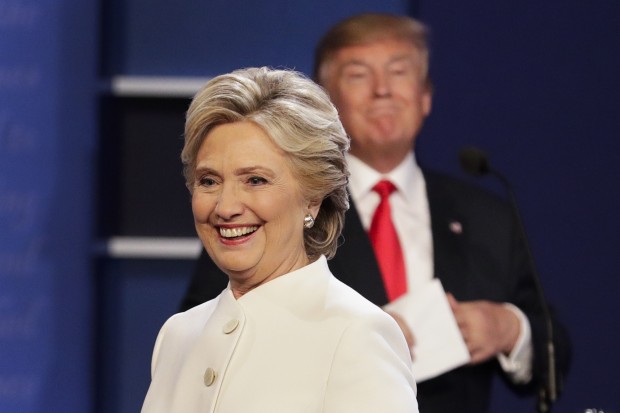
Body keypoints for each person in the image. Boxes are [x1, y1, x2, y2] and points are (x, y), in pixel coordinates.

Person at [179, 14, 571, 413]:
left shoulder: (488, 215)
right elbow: (208, 337)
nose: (382, 91)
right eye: (359, 75)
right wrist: (351, 336)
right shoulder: (279, 205)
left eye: (398, 72)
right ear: (326, 102)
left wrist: (510, 329)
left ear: (425, 96)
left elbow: (555, 354)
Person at [141, 67, 419, 413]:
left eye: (255, 180)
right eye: (209, 181)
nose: (226, 207)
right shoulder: (178, 335)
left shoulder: (356, 334)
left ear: (313, 197)